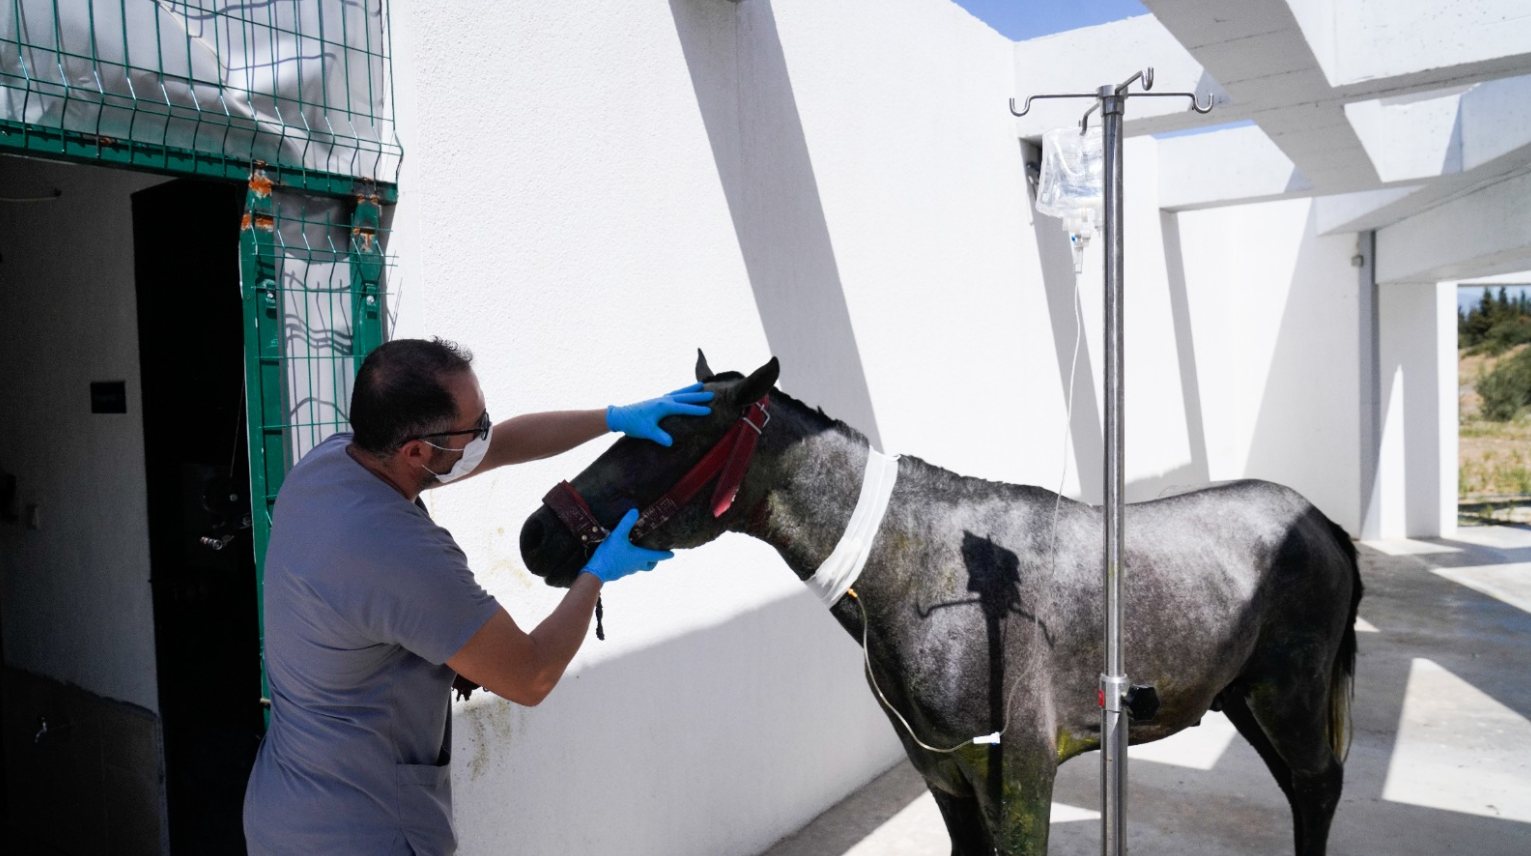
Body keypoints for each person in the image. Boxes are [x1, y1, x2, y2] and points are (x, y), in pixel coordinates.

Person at [242, 338, 713, 856]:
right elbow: (531, 676)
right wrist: (597, 571)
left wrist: (614, 418)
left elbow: (501, 447)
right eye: (475, 426)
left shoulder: (331, 463)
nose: (486, 433)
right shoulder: (401, 554)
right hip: (362, 829)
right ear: (417, 452)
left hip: (283, 807)